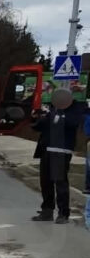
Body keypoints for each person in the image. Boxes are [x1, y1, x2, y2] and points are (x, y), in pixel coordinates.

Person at [31, 86, 80, 224]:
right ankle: (47, 211)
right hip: (46, 149)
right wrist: (36, 118)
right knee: (45, 182)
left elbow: (71, 123)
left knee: (60, 183)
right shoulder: (52, 109)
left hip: (61, 151)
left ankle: (63, 213)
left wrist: (56, 115)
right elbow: (39, 126)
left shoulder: (74, 109)